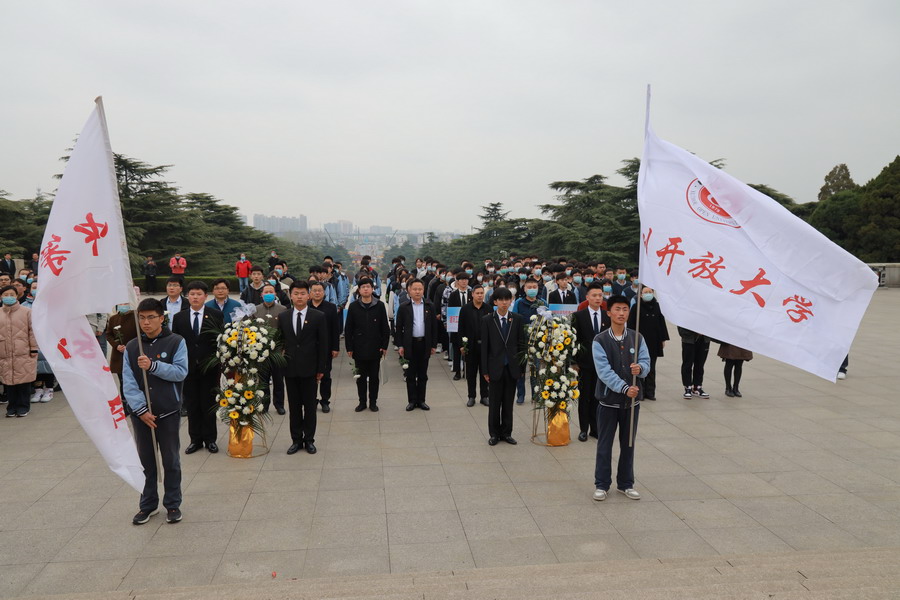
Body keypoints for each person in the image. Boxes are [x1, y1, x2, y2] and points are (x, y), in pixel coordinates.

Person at [122, 298, 188, 524]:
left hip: (167, 411)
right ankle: (148, 504)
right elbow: (128, 382)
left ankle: (172, 504)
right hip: (142, 416)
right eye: (141, 318)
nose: (146, 322)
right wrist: (140, 410)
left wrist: (153, 366)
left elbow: (180, 372)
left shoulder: (176, 341)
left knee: (170, 460)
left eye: (151, 317)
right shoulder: (132, 346)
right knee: (146, 462)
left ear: (162, 318)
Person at [592, 295, 650, 502]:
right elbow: (604, 372)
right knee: (605, 444)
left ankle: (626, 483)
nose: (621, 313)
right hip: (608, 402)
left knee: (628, 444)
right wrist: (624, 387)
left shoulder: (637, 337)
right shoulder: (600, 340)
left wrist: (640, 368)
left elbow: (646, 362)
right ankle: (602, 484)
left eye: (625, 309)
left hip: (631, 404)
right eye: (617, 309)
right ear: (609, 313)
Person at [171, 281, 224, 454]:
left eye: (199, 294)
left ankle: (210, 439)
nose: (195, 297)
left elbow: (220, 341)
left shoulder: (215, 315)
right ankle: (195, 440)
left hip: (210, 368)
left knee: (208, 404)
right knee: (192, 404)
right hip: (188, 369)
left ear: (205, 296)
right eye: (192, 294)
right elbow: (176, 343)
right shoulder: (180, 317)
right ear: (188, 296)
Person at [277, 280, 328, 455]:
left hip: (310, 368)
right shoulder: (283, 316)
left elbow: (323, 344)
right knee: (294, 406)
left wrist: (321, 368)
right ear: (290, 296)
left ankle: (309, 440)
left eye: (302, 293)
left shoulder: (317, 316)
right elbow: (280, 342)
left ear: (309, 295)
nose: (299, 297)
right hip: (290, 369)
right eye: (296, 294)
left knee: (310, 406)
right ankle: (296, 440)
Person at [480, 287, 526, 446]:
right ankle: (494, 434)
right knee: (494, 404)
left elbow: (522, 346)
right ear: (495, 302)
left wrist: (521, 369)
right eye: (501, 300)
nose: (504, 302)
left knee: (508, 403)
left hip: (512, 367)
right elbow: (484, 347)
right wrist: (485, 370)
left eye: (507, 299)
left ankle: (507, 433)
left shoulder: (517, 319)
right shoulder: (487, 320)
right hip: (494, 368)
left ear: (511, 300)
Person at [344, 277, 390, 412]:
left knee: (374, 378)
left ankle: (373, 402)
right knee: (361, 377)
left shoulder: (380, 305)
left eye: (368, 287)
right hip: (359, 348)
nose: (365, 289)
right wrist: (349, 347)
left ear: (373, 289)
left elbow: (385, 328)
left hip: (376, 347)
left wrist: (384, 345)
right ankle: (362, 402)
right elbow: (348, 329)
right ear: (359, 290)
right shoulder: (353, 306)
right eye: (363, 287)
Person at [571, 282, 609, 442]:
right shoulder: (579, 315)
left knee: (599, 397)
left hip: (602, 365)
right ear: (587, 297)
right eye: (594, 295)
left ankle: (596, 428)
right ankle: (583, 429)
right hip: (584, 364)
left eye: (600, 295)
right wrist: (573, 362)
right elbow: (573, 340)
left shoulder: (608, 315)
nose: (598, 298)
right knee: (585, 397)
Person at [394, 279, 438, 411]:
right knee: (411, 374)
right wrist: (400, 345)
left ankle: (422, 400)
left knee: (423, 374)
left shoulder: (430, 306)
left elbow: (434, 327)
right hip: (410, 344)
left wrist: (433, 345)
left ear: (423, 290)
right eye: (415, 289)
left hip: (424, 343)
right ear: (409, 290)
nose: (418, 291)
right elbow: (399, 328)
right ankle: (412, 400)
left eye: (420, 289)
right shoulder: (404, 307)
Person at [0, 285, 38, 417]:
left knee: (23, 381)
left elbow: (33, 331)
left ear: (16, 296)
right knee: (8, 382)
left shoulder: (26, 311)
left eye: (11, 294)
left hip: (23, 351)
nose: (8, 297)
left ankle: (23, 406)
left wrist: (34, 348)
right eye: (5, 295)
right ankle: (12, 406)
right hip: (4, 352)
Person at [626, 287, 668, 401]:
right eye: (645, 292)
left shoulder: (657, 306)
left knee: (651, 368)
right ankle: (641, 391)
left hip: (654, 341)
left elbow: (661, 323)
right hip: (639, 342)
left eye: (650, 292)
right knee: (639, 367)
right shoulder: (636, 307)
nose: (648, 294)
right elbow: (630, 325)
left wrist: (662, 339)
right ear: (640, 295)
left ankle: (650, 392)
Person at [254, 283, 287, 414]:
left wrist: (284, 348)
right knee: (263, 381)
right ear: (262, 295)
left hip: (277, 351)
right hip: (260, 352)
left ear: (275, 294)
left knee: (279, 380)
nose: (268, 294)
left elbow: (285, 330)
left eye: (271, 292)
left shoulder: (283, 309)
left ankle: (279, 405)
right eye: (266, 292)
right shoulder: (255, 310)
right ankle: (264, 405)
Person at [307, 281, 339, 413]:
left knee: (326, 376)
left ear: (324, 292)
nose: (317, 293)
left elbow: (335, 329)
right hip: (309, 348)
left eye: (320, 290)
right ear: (310, 293)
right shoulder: (306, 306)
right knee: (310, 376)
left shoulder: (331, 307)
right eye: (314, 290)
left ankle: (325, 401)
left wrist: (335, 347)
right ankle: (312, 400)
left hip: (326, 347)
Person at [458, 284, 491, 407]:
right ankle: (471, 396)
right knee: (471, 373)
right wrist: (462, 345)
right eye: (477, 293)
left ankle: (485, 396)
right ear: (472, 294)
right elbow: (460, 328)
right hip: (470, 346)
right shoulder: (465, 309)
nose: (480, 295)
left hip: (485, 346)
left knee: (485, 372)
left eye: (481, 293)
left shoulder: (488, 309)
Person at [105, 303, 139, 405]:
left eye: (125, 303)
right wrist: (116, 345)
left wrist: (130, 346)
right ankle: (125, 402)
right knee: (123, 380)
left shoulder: (136, 316)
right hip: (119, 354)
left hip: (133, 352)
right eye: (120, 304)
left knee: (135, 379)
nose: (123, 306)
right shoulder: (113, 318)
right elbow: (109, 334)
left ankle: (136, 402)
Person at [445, 272, 472, 380]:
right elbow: (451, 311)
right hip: (456, 326)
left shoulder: (471, 293)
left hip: (469, 326)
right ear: (457, 281)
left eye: (466, 279)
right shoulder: (453, 294)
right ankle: (457, 372)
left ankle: (467, 370)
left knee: (468, 349)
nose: (464, 281)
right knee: (457, 349)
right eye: (462, 279)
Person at [678, 327, 710, 399]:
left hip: (704, 339)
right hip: (689, 340)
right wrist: (694, 331)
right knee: (687, 364)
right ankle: (687, 387)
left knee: (700, 364)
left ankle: (697, 387)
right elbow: (681, 327)